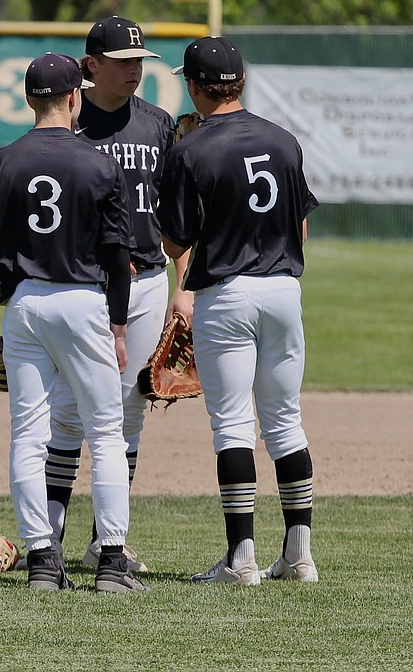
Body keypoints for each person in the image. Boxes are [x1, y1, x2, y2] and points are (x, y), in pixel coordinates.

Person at [0, 52, 148, 593]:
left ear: (28, 99)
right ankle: (111, 562)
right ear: (74, 98)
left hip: (22, 307)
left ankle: (42, 559)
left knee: (27, 433)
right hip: (83, 302)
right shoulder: (99, 164)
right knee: (106, 432)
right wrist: (117, 325)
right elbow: (117, 257)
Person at [158, 36, 320, 585]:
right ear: (242, 83)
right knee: (286, 421)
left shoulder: (191, 150)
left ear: (196, 86)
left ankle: (241, 559)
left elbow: (176, 243)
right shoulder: (283, 140)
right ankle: (299, 555)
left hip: (227, 294)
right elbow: (300, 227)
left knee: (232, 425)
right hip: (283, 288)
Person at [41, 16, 192, 574]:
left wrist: (184, 284)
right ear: (92, 66)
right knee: (68, 413)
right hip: (82, 283)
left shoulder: (157, 125)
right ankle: (48, 533)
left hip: (149, 278)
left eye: (140, 62)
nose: (135, 70)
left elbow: (172, 214)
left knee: (130, 410)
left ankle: (110, 539)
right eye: (124, 61)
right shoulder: (66, 126)